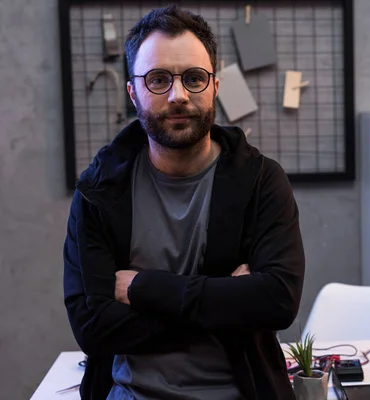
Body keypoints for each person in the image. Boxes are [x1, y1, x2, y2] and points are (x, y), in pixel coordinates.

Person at [62, 5, 305, 400]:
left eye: (194, 78)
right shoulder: (99, 191)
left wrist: (143, 288)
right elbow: (92, 326)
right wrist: (226, 301)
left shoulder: (261, 180)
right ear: (132, 91)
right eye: (158, 79)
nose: (178, 95)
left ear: (215, 84)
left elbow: (276, 301)